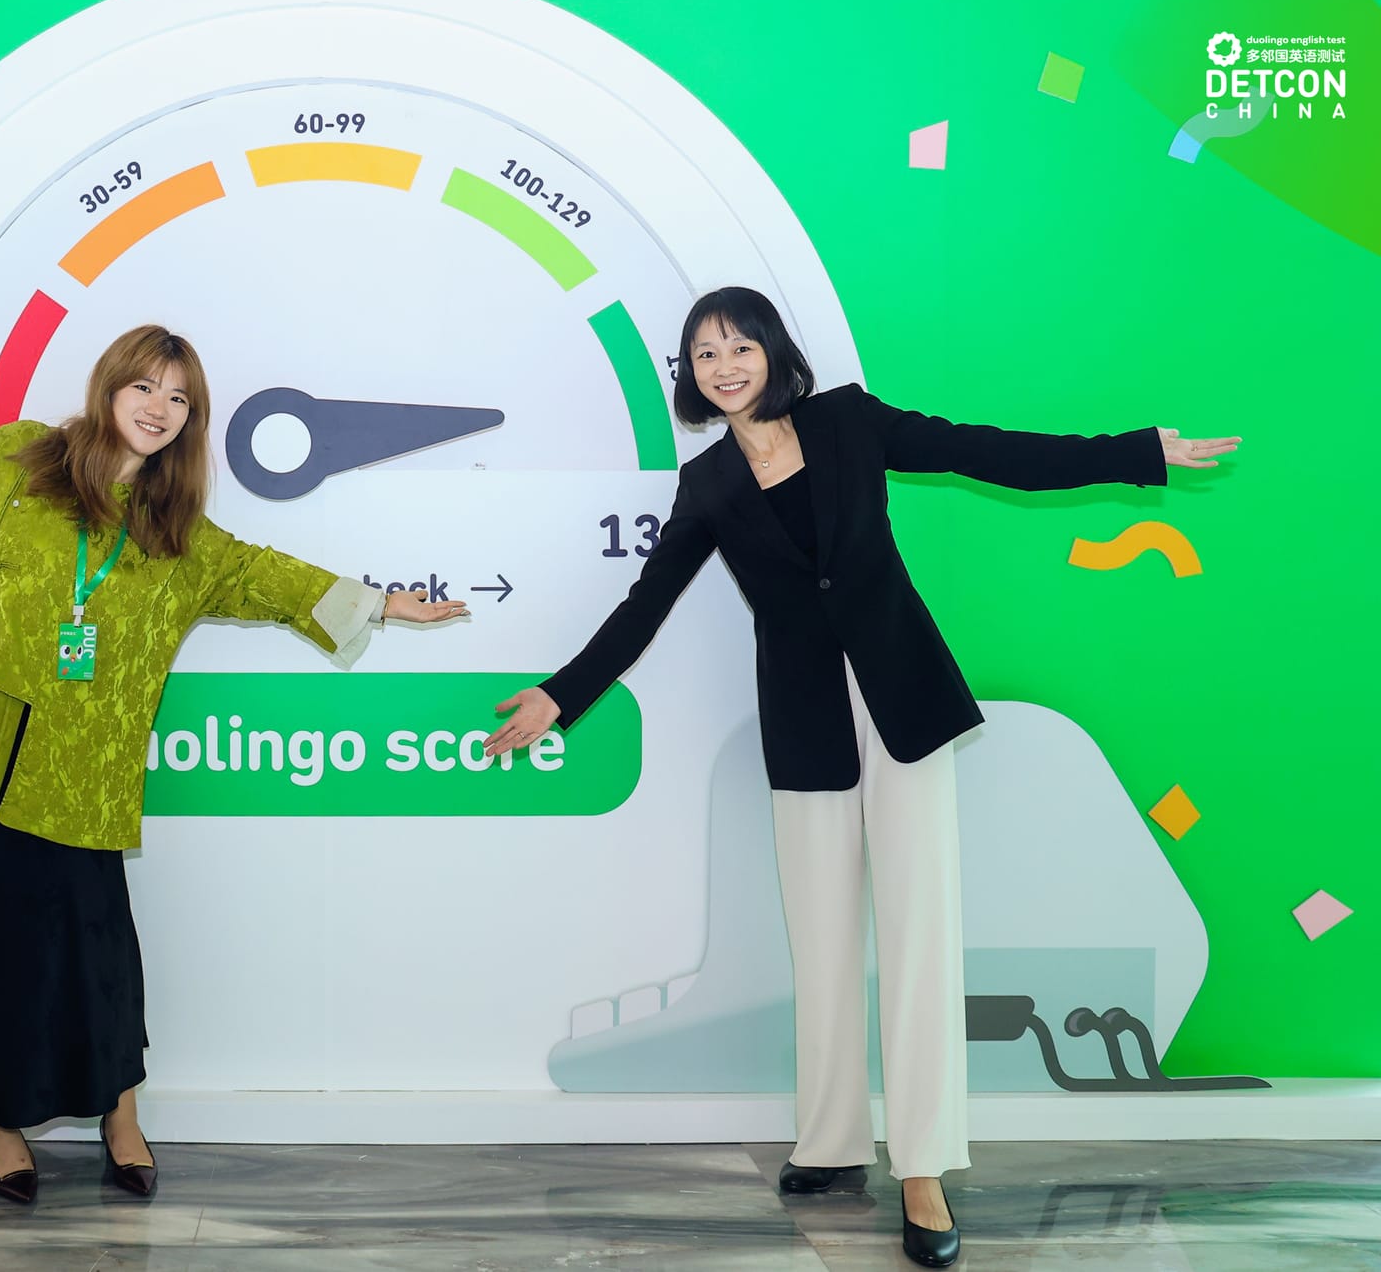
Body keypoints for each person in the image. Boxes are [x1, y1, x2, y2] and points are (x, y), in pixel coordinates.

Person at [485, 287, 1237, 1267]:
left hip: (901, 705)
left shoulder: (844, 418)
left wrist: (1132, 453)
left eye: (737, 345)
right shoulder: (708, 483)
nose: (722, 365)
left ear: (770, 351)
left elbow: (983, 450)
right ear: (690, 375)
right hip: (805, 730)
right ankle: (832, 1140)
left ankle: (920, 1169)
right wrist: (560, 692)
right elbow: (644, 604)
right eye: (702, 353)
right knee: (822, 940)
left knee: (918, 934)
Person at [0, 325, 466, 1205]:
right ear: (109, 386)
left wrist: (382, 603)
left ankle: (121, 1117)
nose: (159, 407)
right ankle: (3, 1128)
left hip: (85, 774)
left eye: (179, 398)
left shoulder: (177, 536)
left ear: (190, 421)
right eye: (146, 386)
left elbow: (271, 577)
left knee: (98, 956)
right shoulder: (13, 464)